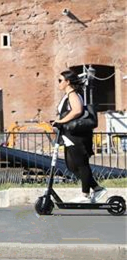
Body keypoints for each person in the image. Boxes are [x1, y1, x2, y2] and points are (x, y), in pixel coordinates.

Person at [50, 69, 106, 203]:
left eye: (60, 80)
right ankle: (97, 188)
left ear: (68, 82)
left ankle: (85, 194)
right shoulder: (67, 95)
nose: (58, 83)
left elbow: (77, 110)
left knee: (81, 164)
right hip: (69, 135)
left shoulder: (73, 95)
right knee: (71, 166)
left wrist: (61, 121)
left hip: (77, 136)